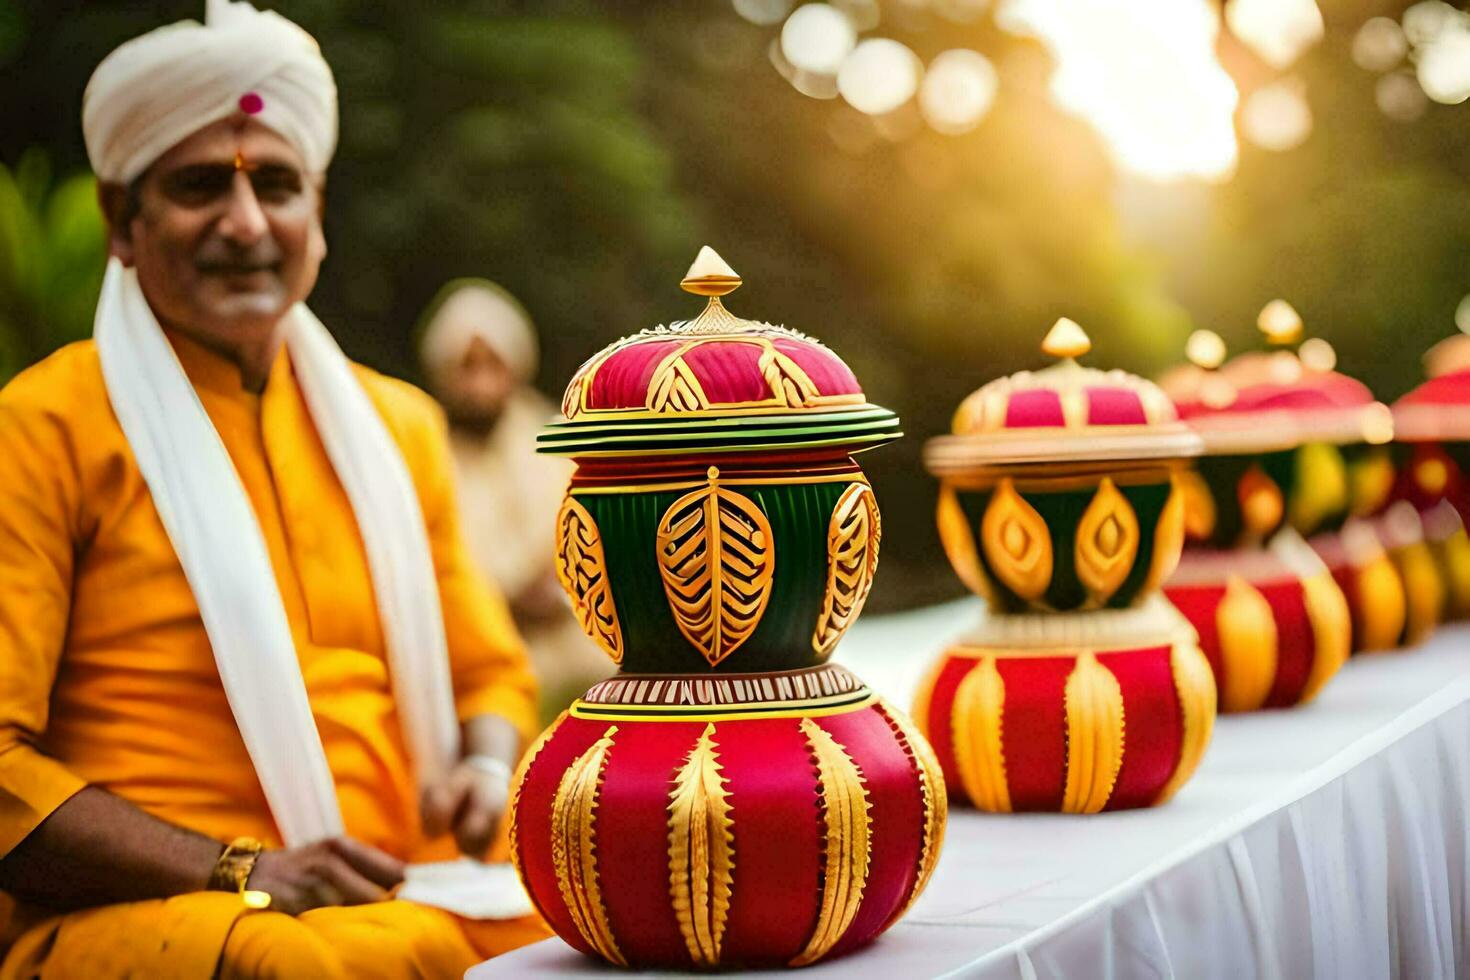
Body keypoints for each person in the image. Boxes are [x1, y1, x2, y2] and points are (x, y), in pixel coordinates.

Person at [0, 2, 549, 976]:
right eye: (201, 185)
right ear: (123, 223)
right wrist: (234, 867)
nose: (246, 223)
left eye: (279, 186)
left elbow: (488, 673)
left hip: (402, 881)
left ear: (317, 216)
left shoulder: (398, 426)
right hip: (170, 908)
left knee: (604, 923)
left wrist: (483, 765)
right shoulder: (43, 426)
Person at [418, 281, 613, 718]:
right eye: (467, 367)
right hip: (488, 670)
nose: (480, 384)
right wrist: (508, 595)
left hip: (589, 657)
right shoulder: (427, 457)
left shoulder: (560, 440)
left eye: (493, 365)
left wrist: (567, 576)